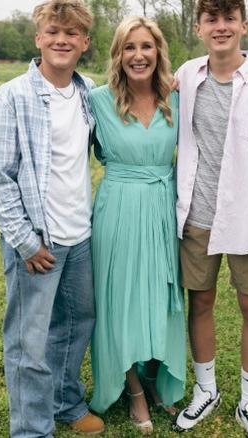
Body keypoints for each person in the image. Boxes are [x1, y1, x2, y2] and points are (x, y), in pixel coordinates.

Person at [171, 0, 248, 436]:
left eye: (228, 19)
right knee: (199, 302)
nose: (220, 27)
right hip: (197, 218)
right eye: (211, 19)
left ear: (243, 25)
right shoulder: (186, 77)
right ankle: (206, 390)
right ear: (199, 26)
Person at [0, 0, 105, 436]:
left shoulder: (89, 91)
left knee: (76, 323)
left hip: (81, 233)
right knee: (28, 343)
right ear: (38, 38)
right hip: (37, 240)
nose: (61, 40)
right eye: (53, 31)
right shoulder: (11, 96)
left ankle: (66, 403)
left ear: (85, 43)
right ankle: (33, 429)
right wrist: (25, 241)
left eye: (71, 34)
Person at [86, 16, 185, 434]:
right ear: (118, 54)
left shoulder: (176, 97)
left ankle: (153, 375)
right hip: (119, 209)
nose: (138, 55)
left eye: (146, 46)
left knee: (163, 298)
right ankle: (133, 390)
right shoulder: (95, 101)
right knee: (121, 301)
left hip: (165, 205)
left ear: (159, 51)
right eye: (129, 47)